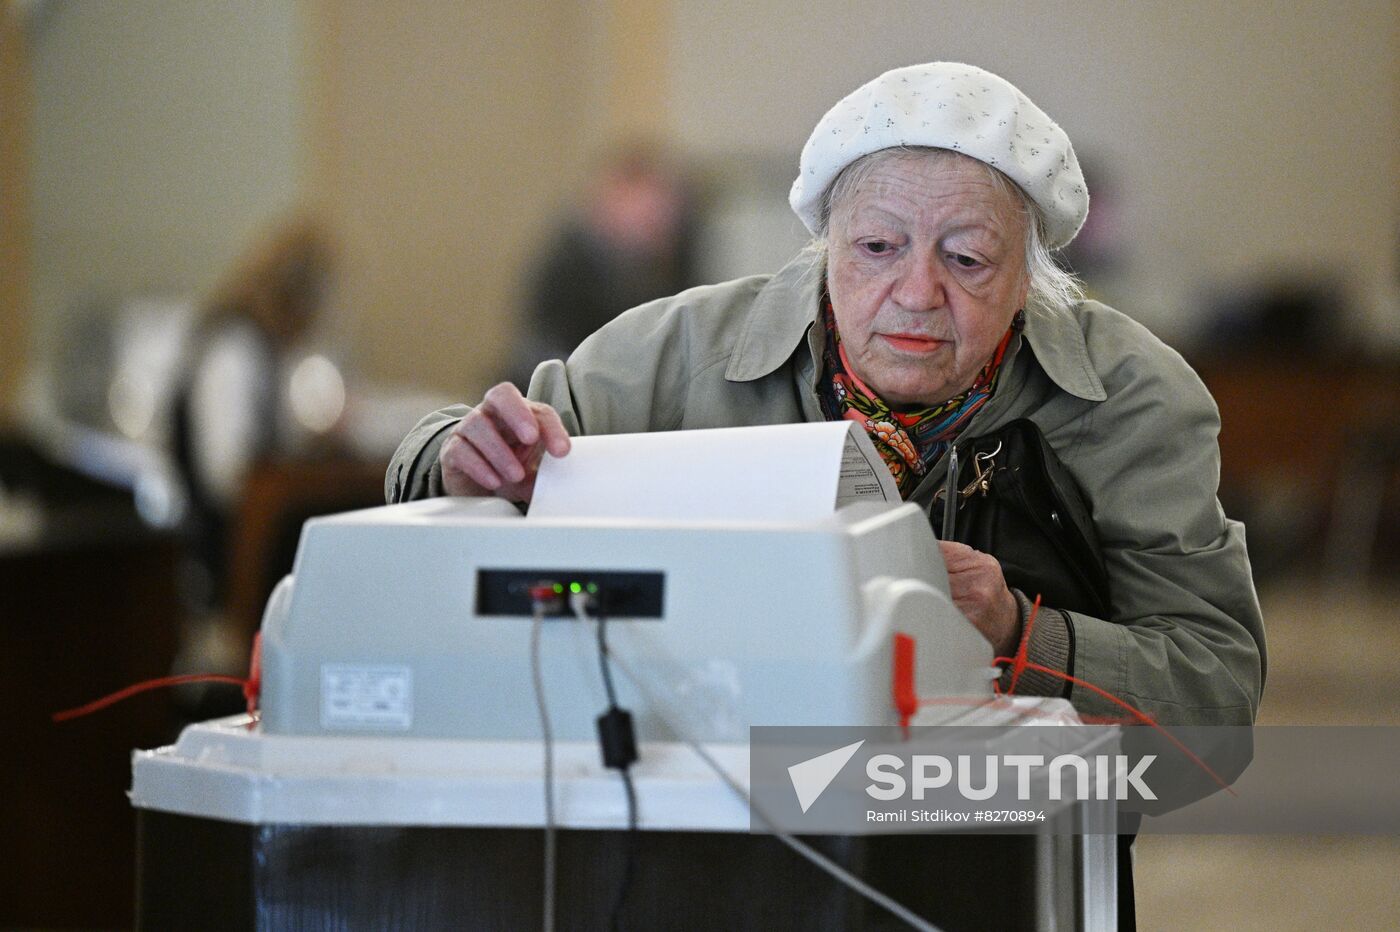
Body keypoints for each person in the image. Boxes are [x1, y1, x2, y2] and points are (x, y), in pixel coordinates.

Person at [390, 62, 1264, 732]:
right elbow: (442, 452)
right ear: (825, 246)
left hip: (1005, 837)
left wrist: (1018, 634)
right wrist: (466, 463)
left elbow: (1218, 690)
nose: (916, 293)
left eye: (966, 259)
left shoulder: (1133, 399)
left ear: (1030, 279)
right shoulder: (679, 352)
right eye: (878, 247)